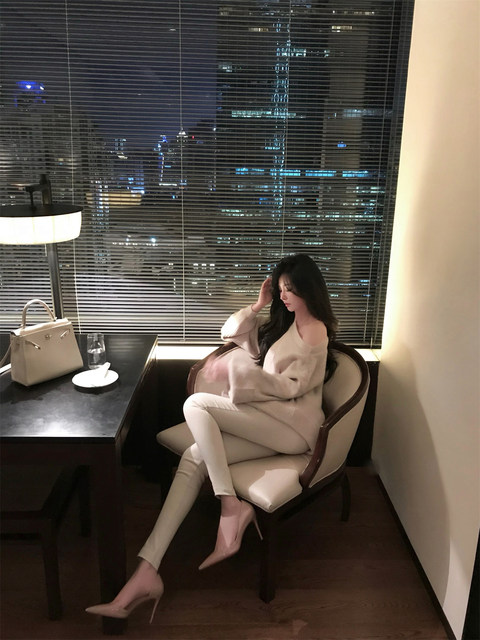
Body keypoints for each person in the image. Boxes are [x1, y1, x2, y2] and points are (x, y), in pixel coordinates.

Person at [85, 253, 337, 624]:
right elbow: (231, 333)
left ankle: (230, 506)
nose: (284, 296)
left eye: (291, 290)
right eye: (281, 288)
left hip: (293, 428)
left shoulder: (315, 330)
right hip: (271, 421)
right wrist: (257, 305)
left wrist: (236, 375)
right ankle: (145, 574)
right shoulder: (287, 323)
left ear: (309, 290)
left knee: (197, 403)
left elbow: (290, 387)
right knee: (193, 456)